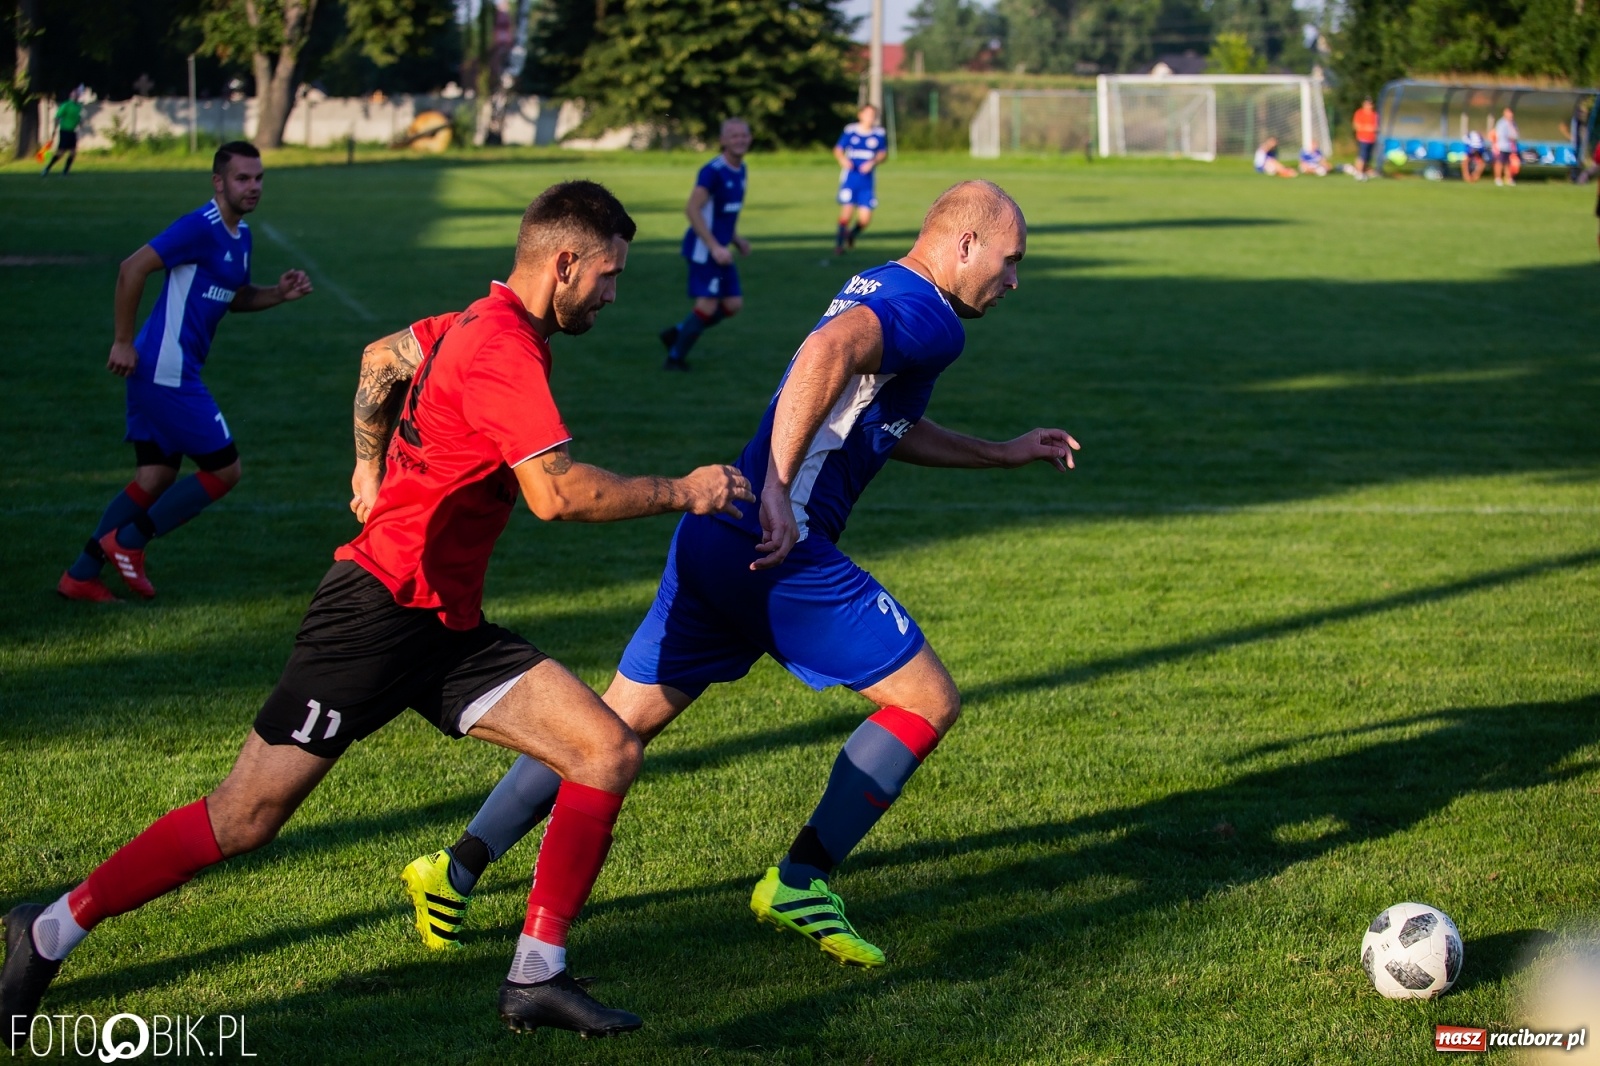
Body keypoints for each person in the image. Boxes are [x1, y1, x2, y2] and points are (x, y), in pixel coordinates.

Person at [2, 181, 756, 1045]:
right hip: (372, 617)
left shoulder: (464, 323)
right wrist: (683, 490)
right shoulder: (504, 348)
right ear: (565, 262)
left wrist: (367, 469)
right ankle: (52, 926)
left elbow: (377, 361)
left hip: (445, 627)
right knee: (244, 816)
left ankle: (536, 976)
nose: (614, 294)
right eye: (610, 276)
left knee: (605, 748)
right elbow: (552, 494)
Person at [397, 180, 1080, 970]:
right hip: (777, 551)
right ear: (964, 246)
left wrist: (999, 451)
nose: (1014, 280)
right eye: (1010, 260)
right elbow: (827, 356)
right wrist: (783, 492)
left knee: (611, 730)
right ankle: (802, 879)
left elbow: (880, 418)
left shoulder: (886, 287)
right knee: (927, 700)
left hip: (716, 538)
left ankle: (453, 868)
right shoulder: (929, 314)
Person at [55, 142, 313, 603]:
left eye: (258, 178)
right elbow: (132, 268)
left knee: (154, 477)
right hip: (165, 371)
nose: (253, 187)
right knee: (225, 470)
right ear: (218, 182)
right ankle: (129, 542)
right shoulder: (201, 226)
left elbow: (231, 296)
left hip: (167, 370)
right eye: (242, 178)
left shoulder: (241, 235)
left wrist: (277, 294)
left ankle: (80, 575)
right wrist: (121, 341)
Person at [659, 118, 752, 371]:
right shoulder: (712, 171)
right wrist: (714, 246)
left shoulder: (741, 170)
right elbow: (692, 209)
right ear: (723, 140)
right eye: (733, 136)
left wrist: (737, 240)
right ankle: (675, 357)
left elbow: (724, 215)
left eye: (743, 135)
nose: (739, 140)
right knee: (708, 304)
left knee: (733, 304)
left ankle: (678, 332)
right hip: (705, 250)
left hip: (721, 249)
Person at [834, 104, 887, 255]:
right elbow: (838, 150)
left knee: (865, 220)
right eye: (868, 114)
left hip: (867, 183)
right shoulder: (851, 131)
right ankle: (838, 246)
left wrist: (873, 162)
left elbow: (883, 154)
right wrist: (842, 159)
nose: (870, 117)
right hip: (850, 180)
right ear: (861, 115)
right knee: (847, 213)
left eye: (873, 115)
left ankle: (851, 234)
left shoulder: (878, 134)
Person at [41, 89, 81, 176]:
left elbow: (78, 118)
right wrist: (54, 130)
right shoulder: (66, 105)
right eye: (74, 95)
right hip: (64, 131)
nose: (75, 97)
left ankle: (66, 171)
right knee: (61, 152)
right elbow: (57, 117)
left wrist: (79, 125)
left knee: (73, 152)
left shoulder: (78, 107)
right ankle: (47, 168)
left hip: (72, 132)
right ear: (71, 96)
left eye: (77, 95)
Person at [1353, 97, 1379, 181]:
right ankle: (1359, 172)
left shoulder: (1374, 115)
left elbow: (1376, 127)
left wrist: (1370, 128)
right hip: (1362, 138)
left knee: (1368, 157)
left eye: (1370, 104)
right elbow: (1356, 126)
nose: (1368, 106)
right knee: (1362, 155)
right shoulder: (1359, 113)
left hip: (1371, 138)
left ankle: (1365, 171)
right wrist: (1367, 127)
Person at [1494, 107, 1520, 187]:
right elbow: (1501, 135)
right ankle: (1498, 179)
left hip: (1510, 147)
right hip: (1502, 146)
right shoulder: (1501, 123)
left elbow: (1516, 135)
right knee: (1500, 162)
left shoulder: (1513, 123)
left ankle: (1508, 179)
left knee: (1508, 163)